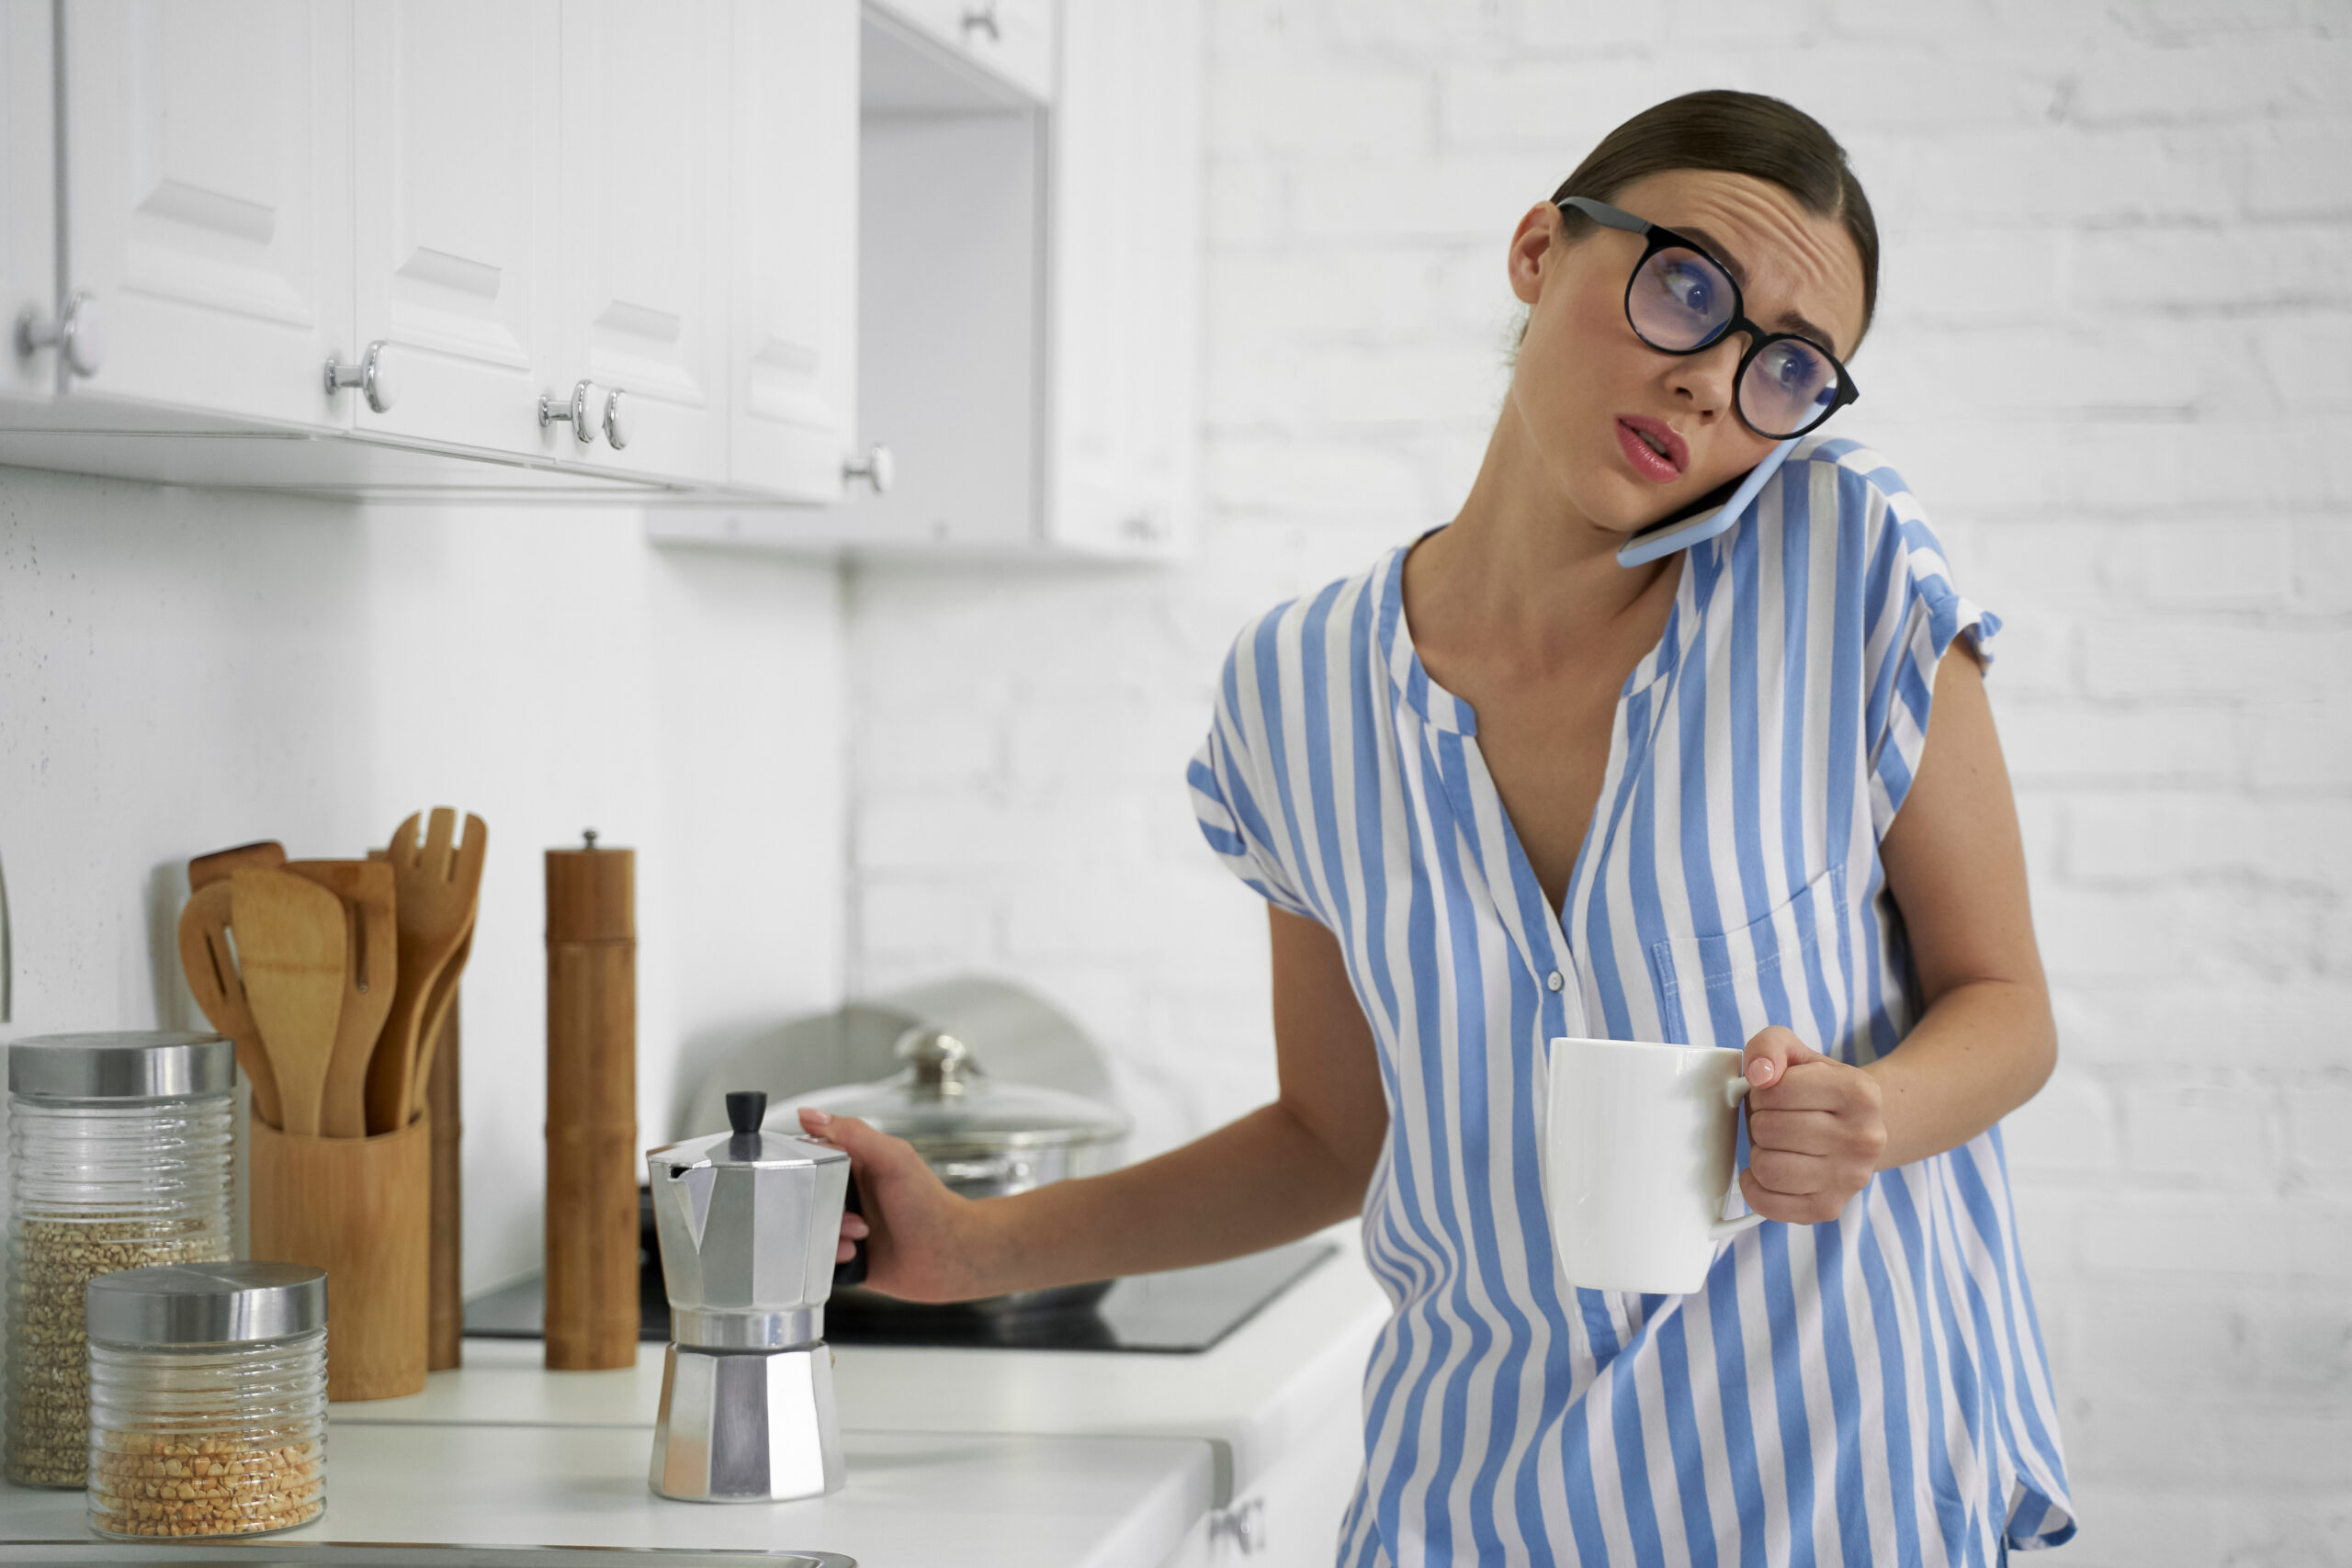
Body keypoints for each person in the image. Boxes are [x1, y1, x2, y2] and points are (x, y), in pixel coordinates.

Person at [800, 89, 2077, 1566]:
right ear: (1541, 249)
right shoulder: (1298, 690)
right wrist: (968, 1249)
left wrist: (1873, 1115)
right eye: (1686, 289)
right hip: (1478, 1502)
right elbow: (1332, 1138)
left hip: (1832, 1493)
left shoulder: (1839, 561)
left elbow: (2009, 1004)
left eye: (1787, 367)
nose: (1714, 387)